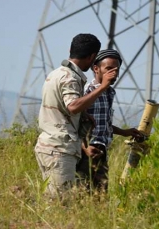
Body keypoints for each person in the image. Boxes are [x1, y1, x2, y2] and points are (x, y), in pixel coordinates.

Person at [34, 34, 119, 199]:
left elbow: (63, 108)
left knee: (55, 200)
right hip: (59, 149)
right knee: (60, 204)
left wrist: (84, 115)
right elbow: (72, 106)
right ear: (92, 57)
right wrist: (102, 87)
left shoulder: (57, 73)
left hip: (49, 146)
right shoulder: (70, 78)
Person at [76, 49, 142, 192]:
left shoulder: (109, 92)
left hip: (102, 150)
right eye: (109, 69)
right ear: (96, 69)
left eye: (116, 69)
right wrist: (84, 148)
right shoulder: (87, 91)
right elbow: (76, 121)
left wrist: (124, 132)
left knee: (100, 194)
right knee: (82, 192)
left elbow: (102, 123)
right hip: (87, 150)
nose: (114, 73)